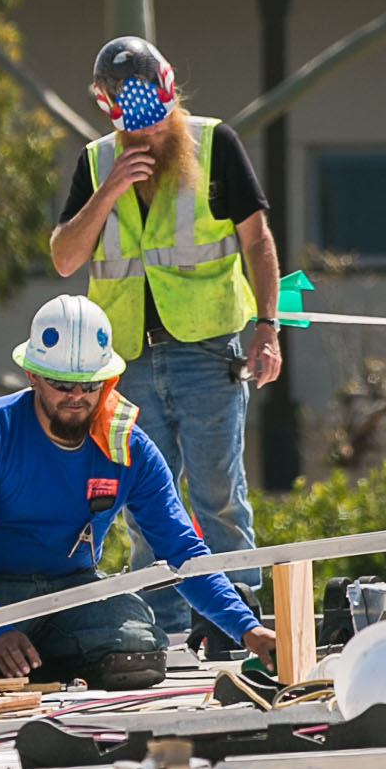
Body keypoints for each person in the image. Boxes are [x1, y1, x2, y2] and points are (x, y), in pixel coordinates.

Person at [0, 293, 277, 689]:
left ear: (108, 381)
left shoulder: (130, 449)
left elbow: (183, 551)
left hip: (72, 591)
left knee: (138, 651)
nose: (76, 396)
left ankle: (35, 660)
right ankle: (19, 654)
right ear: (32, 376)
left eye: (89, 385)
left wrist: (249, 631)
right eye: (61, 384)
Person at [49, 37, 281, 653]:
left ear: (172, 95)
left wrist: (268, 326)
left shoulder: (214, 144)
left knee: (216, 490)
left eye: (155, 125)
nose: (147, 140)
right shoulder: (98, 163)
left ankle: (239, 622)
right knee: (145, 499)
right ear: (109, 114)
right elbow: (66, 258)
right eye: (134, 130)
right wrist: (110, 192)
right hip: (127, 360)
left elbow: (258, 241)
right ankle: (161, 624)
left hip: (208, 350)